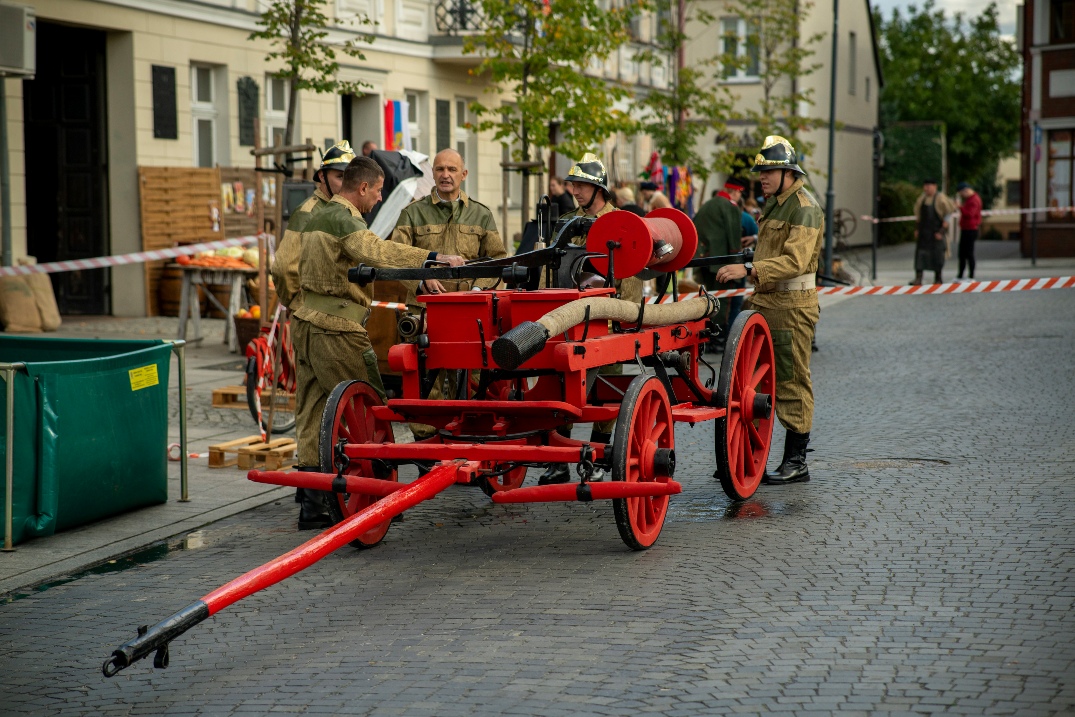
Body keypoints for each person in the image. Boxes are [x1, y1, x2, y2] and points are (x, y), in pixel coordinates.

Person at [290, 157, 465, 529]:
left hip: (305, 323)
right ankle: (378, 497)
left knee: (313, 410)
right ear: (364, 187)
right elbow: (377, 251)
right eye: (379, 190)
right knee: (368, 410)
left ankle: (314, 504)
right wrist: (431, 258)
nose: (380, 198)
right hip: (336, 328)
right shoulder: (344, 218)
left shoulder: (316, 215)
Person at [714, 136, 824, 486]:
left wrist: (749, 270)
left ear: (787, 172)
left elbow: (795, 260)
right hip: (764, 302)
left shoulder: (804, 207)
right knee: (752, 386)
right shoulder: (776, 203)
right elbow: (771, 250)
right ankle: (746, 459)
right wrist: (751, 256)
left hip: (792, 308)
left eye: (767, 171)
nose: (760, 177)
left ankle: (796, 461)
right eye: (760, 172)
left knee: (791, 380)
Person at [390, 148, 507, 441]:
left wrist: (478, 290)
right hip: (423, 313)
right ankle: (426, 446)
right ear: (433, 173)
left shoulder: (481, 215)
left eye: (452, 170)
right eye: (440, 169)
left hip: (469, 315)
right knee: (424, 378)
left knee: (473, 378)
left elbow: (497, 261)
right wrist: (421, 278)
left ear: (463, 175)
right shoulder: (412, 213)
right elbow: (394, 256)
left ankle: (469, 439)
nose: (445, 175)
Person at [537, 153, 641, 485]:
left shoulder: (622, 223)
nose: (576, 191)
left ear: (599, 189)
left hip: (607, 322)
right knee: (559, 389)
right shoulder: (568, 222)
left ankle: (599, 453)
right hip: (566, 322)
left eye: (581, 186)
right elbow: (549, 269)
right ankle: (558, 460)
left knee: (607, 391)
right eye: (573, 185)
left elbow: (632, 274)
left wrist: (626, 316)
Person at [272, 140, 355, 312]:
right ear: (322, 177)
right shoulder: (308, 212)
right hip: (313, 315)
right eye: (340, 177)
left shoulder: (344, 211)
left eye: (350, 178)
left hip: (339, 312)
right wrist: (298, 305)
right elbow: (284, 267)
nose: (346, 184)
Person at [693, 177, 748, 352]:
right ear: (736, 191)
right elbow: (733, 237)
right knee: (723, 300)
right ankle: (718, 337)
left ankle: (707, 336)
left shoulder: (708, 204)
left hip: (705, 259)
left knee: (708, 297)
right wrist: (737, 260)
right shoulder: (730, 207)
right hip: (723, 262)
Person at [911, 179, 956, 285]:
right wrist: (917, 229)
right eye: (925, 186)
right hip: (923, 232)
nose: (927, 188)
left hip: (936, 232)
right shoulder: (922, 199)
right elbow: (918, 216)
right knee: (920, 255)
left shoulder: (941, 198)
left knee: (937, 256)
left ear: (935, 186)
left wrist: (941, 231)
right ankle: (918, 278)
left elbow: (947, 215)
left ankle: (938, 278)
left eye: (929, 186)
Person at [955, 182, 982, 281]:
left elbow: (969, 214)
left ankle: (971, 276)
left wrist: (960, 207)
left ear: (965, 190)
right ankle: (960, 275)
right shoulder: (970, 199)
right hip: (966, 228)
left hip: (971, 229)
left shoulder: (974, 200)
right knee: (962, 253)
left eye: (961, 194)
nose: (962, 196)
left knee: (969, 253)